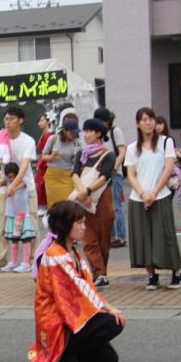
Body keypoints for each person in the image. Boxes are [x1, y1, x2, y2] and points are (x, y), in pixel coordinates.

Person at [29, 201, 126, 362]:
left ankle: (69, 351)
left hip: (72, 315)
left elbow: (87, 286)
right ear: (65, 225)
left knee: (109, 361)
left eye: (83, 222)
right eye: (79, 222)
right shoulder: (55, 255)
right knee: (113, 321)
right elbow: (80, 287)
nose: (84, 227)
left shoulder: (73, 252)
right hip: (57, 320)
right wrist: (109, 308)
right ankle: (64, 351)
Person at [125, 107, 181, 290]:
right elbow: (131, 174)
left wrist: (153, 193)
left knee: (165, 236)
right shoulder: (132, 148)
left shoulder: (165, 142)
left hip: (161, 196)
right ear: (137, 123)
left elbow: (168, 169)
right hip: (138, 198)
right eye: (143, 119)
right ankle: (151, 276)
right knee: (143, 238)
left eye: (151, 119)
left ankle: (176, 273)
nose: (148, 122)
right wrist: (143, 194)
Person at [0, 107, 39, 271]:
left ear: (20, 120)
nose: (7, 122)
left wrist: (14, 185)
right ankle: (1, 259)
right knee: (3, 225)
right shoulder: (0, 138)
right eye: (6, 119)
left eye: (11, 119)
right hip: (5, 191)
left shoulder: (27, 141)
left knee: (31, 225)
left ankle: (31, 260)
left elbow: (24, 165)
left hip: (26, 189)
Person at [71, 117, 116, 287]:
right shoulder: (81, 154)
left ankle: (101, 271)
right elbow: (74, 174)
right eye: (85, 131)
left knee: (103, 237)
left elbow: (105, 176)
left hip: (102, 198)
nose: (86, 134)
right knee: (88, 238)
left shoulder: (108, 154)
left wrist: (89, 191)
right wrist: (83, 193)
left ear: (99, 134)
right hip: (83, 198)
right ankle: (99, 273)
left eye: (89, 131)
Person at [94, 107, 128, 248]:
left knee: (116, 206)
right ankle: (111, 236)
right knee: (107, 207)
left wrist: (114, 167)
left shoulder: (115, 131)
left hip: (115, 174)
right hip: (103, 175)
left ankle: (120, 237)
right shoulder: (99, 134)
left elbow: (122, 151)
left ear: (107, 121)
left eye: (102, 121)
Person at [0, 162, 35, 272]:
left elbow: (22, 185)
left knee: (25, 239)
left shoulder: (22, 183)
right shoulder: (6, 184)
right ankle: (13, 262)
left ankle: (26, 263)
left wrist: (13, 187)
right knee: (13, 239)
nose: (11, 179)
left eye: (13, 176)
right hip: (12, 215)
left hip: (23, 215)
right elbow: (0, 186)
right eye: (9, 177)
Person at [40, 116, 82, 207]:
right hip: (53, 175)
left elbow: (80, 160)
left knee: (68, 204)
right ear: (65, 131)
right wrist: (51, 157)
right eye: (72, 132)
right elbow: (43, 157)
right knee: (54, 206)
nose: (74, 135)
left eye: (75, 133)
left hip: (67, 176)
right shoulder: (53, 138)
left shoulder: (77, 142)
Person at [34, 112, 53, 214]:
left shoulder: (48, 135)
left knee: (40, 184)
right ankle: (43, 205)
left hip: (45, 162)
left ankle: (43, 206)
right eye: (39, 121)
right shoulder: (45, 134)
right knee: (40, 184)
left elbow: (46, 151)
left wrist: (40, 163)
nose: (39, 123)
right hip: (43, 161)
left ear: (48, 122)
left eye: (42, 120)